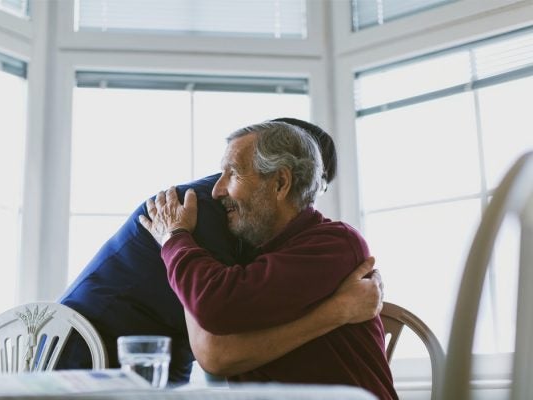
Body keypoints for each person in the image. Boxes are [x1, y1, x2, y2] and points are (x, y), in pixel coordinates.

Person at [57, 118, 383, 386]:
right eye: (316, 177)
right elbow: (217, 344)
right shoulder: (202, 212)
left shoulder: (320, 243)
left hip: (156, 353)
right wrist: (338, 310)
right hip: (90, 347)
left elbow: (220, 340)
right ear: (285, 176)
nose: (312, 193)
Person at [140, 121, 397, 399]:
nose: (216, 190)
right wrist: (337, 312)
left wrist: (175, 237)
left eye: (233, 174)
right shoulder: (259, 258)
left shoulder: (334, 244)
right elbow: (219, 355)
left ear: (280, 183)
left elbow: (216, 303)